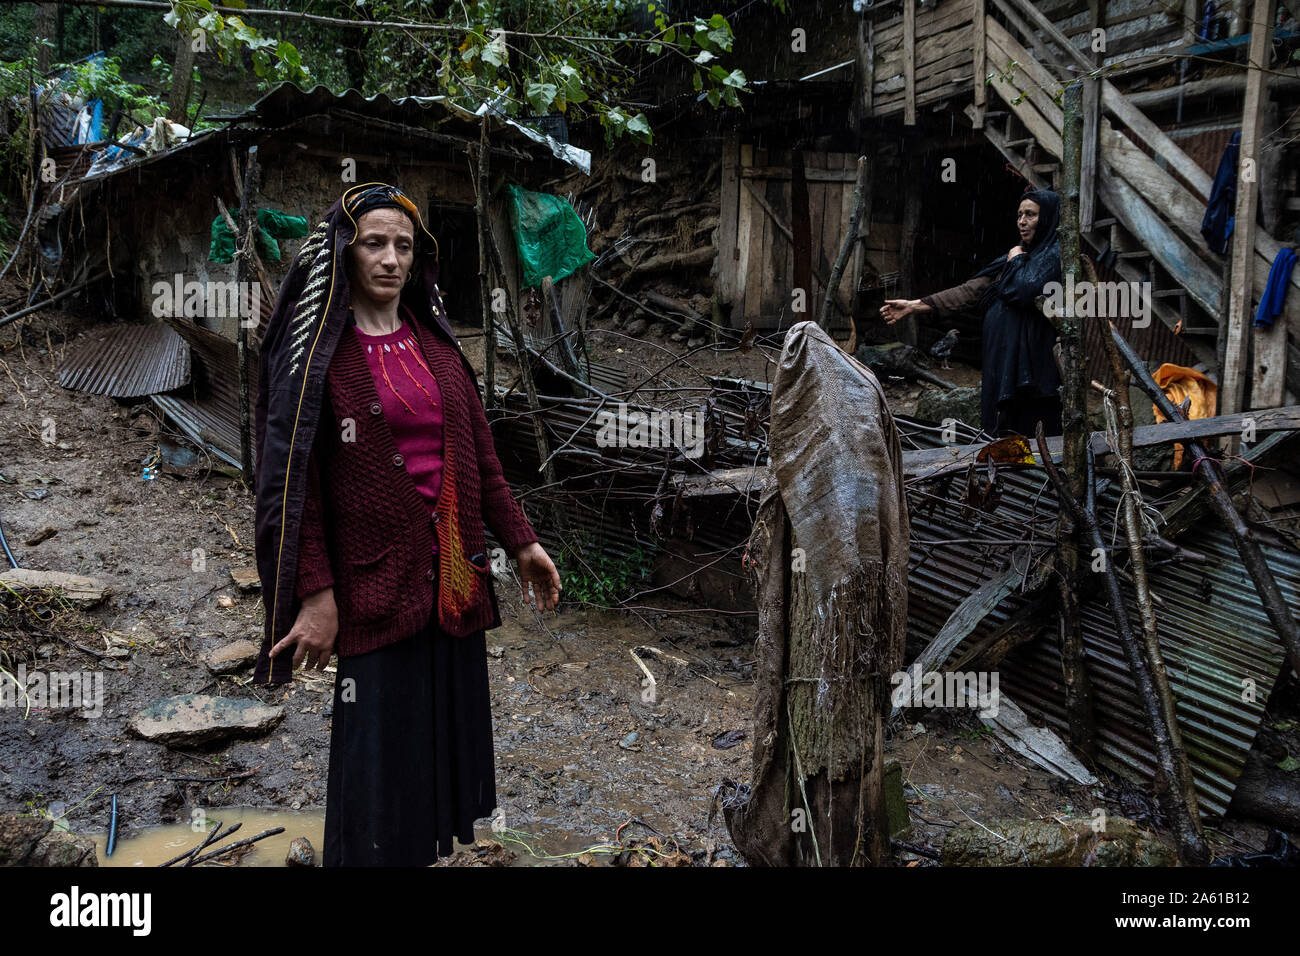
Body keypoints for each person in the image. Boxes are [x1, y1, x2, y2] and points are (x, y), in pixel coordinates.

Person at [252, 182, 562, 866]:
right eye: (373, 244)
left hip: (452, 577)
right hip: (371, 588)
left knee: (437, 761)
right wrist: (314, 592)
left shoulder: (438, 346)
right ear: (345, 252)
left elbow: (480, 458)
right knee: (378, 769)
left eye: (403, 245)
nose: (390, 259)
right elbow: (292, 487)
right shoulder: (316, 364)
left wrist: (523, 541)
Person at [881, 189, 1064, 438]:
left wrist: (1016, 262)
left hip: (1034, 367)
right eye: (1019, 214)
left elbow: (1024, 289)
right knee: (1002, 426)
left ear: (1048, 218)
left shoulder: (1054, 257)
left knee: (1033, 426)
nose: (1022, 221)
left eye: (1030, 215)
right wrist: (914, 306)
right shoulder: (1014, 256)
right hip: (1003, 361)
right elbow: (971, 291)